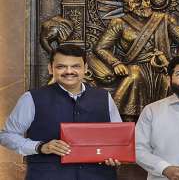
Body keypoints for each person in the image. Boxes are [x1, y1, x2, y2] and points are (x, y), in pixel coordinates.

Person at [0, 45, 122, 180]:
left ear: (85, 68)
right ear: (50, 68)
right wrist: (40, 147)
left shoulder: (104, 97)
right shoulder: (31, 98)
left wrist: (115, 156)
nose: (69, 71)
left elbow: (117, 138)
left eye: (76, 66)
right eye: (61, 66)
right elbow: (6, 135)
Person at [94, 0, 179, 121]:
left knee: (169, 83)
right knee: (133, 78)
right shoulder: (119, 23)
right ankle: (129, 122)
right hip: (136, 66)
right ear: (127, 3)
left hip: (162, 66)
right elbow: (100, 48)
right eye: (137, 0)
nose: (144, 4)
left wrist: (175, 66)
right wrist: (115, 63)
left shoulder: (164, 19)